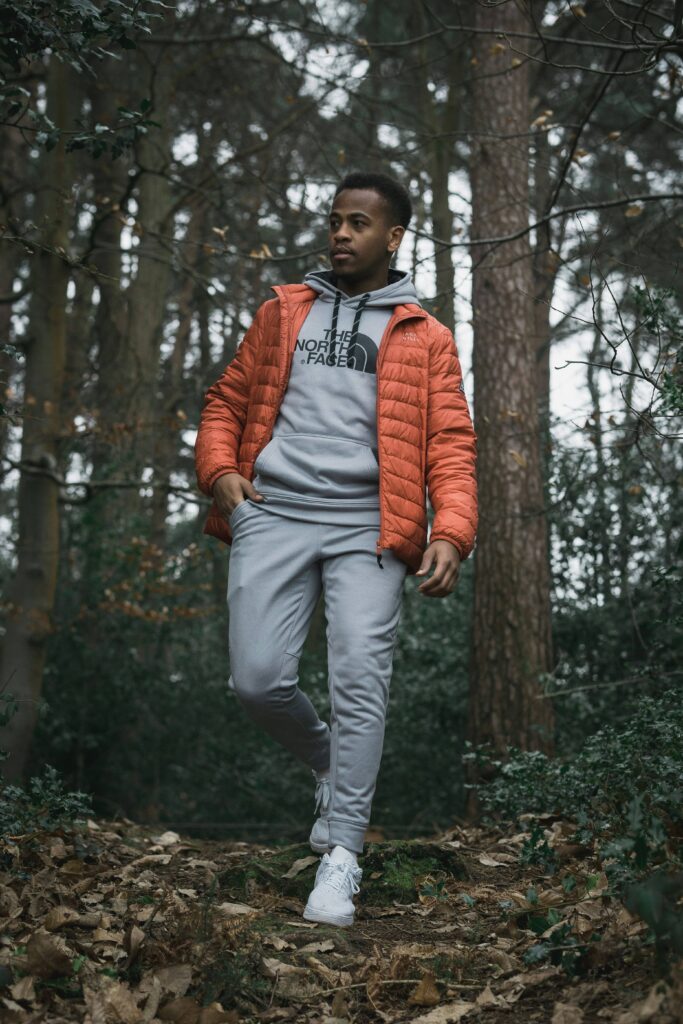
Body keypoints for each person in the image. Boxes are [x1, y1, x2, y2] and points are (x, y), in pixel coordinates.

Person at [194, 170, 478, 927]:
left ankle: (342, 857)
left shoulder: (426, 335)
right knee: (256, 680)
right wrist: (220, 473)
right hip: (274, 512)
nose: (340, 234)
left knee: (360, 678)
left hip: (370, 527)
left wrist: (450, 530)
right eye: (334, 221)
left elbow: (450, 443)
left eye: (358, 224)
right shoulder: (282, 312)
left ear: (392, 238)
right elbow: (225, 400)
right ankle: (327, 762)